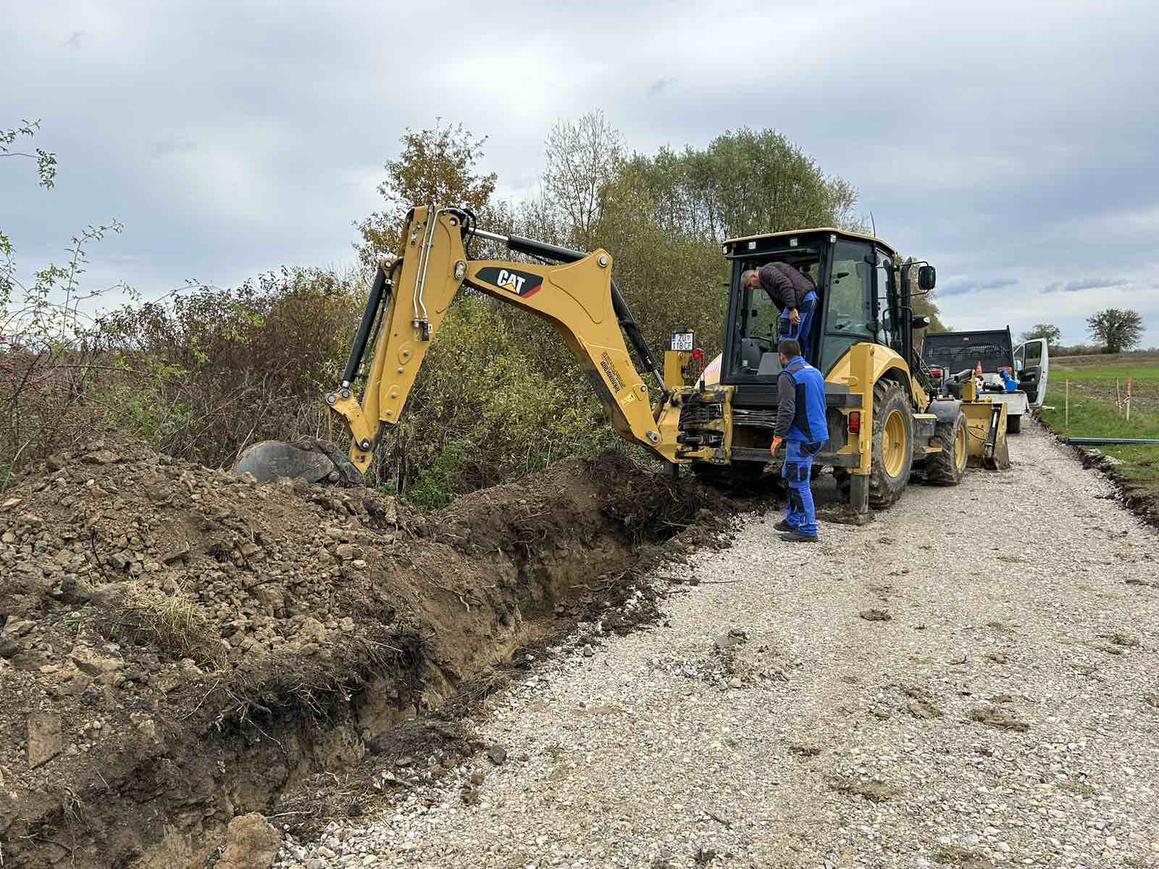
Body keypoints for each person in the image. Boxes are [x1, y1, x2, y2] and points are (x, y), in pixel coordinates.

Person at [769, 338, 828, 542]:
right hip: (818, 434)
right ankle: (793, 519)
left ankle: (808, 529)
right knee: (790, 473)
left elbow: (786, 409)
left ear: (781, 356)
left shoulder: (788, 375)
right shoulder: (815, 372)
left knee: (799, 481)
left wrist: (778, 436)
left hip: (802, 437)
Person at [740, 262, 819, 359]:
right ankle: (806, 362)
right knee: (803, 336)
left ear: (753, 276)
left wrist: (792, 309)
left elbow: (785, 284)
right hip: (809, 298)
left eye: (750, 285)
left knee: (787, 337)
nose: (752, 288)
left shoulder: (765, 272)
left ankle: (789, 367)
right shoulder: (767, 279)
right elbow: (780, 302)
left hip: (801, 299)